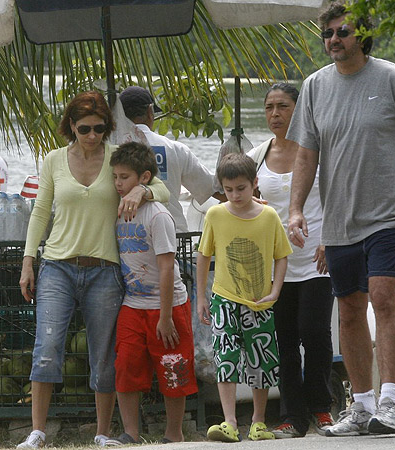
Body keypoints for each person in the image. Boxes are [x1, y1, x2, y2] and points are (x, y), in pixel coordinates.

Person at [286, 1, 395, 436]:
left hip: (389, 215)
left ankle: (390, 403)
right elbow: (305, 155)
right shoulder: (315, 87)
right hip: (339, 221)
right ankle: (360, 406)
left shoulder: (394, 79)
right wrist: (296, 209)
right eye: (329, 34)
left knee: (383, 298)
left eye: (343, 32)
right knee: (350, 310)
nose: (334, 40)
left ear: (362, 36)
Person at [17, 91, 169, 449]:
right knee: (47, 345)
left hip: (105, 268)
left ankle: (102, 431)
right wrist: (28, 260)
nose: (92, 136)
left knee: (103, 353)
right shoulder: (54, 160)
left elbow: (162, 188)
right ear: (71, 126)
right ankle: (37, 430)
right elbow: (41, 211)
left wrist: (141, 192)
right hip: (57, 265)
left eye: (99, 128)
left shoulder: (117, 158)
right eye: (84, 128)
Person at [247, 83, 335, 438]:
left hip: (316, 256)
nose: (274, 114)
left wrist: (330, 240)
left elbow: (336, 196)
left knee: (315, 333)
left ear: (299, 110)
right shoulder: (256, 155)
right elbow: (238, 200)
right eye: (269, 107)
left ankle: (321, 407)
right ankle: (291, 415)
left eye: (282, 106)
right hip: (274, 266)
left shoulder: (317, 151)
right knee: (283, 339)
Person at [196, 152, 292, 442]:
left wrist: (275, 290)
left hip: (259, 301)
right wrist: (201, 297)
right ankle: (229, 421)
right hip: (224, 298)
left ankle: (258, 421)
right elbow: (204, 256)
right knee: (225, 358)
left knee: (260, 360)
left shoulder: (269, 216)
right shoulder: (215, 215)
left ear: (255, 183)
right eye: (228, 190)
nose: (235, 195)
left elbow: (281, 255)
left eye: (241, 188)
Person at [106, 142, 197, 446]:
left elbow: (167, 268)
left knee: (174, 368)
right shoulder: (117, 209)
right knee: (126, 366)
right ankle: (130, 432)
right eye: (115, 177)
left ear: (144, 178)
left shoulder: (157, 216)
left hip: (167, 305)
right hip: (133, 304)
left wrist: (167, 316)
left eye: (124, 178)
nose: (118, 184)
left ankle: (174, 433)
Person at [119, 86, 222, 232]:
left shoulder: (113, 150)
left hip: (128, 238)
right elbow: (210, 188)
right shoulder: (175, 149)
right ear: (150, 112)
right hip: (173, 235)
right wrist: (247, 198)